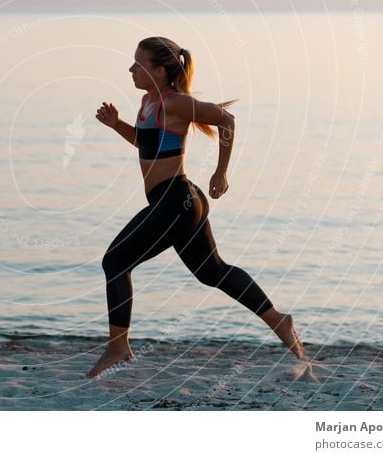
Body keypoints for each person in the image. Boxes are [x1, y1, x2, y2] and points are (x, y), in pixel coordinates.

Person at [87, 36, 303, 379]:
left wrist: (222, 171)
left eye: (138, 64)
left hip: (177, 200)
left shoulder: (175, 103)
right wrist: (117, 125)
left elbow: (226, 119)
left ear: (159, 72)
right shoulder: (147, 102)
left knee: (115, 261)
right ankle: (278, 320)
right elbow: (147, 145)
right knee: (212, 272)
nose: (130, 69)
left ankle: (118, 346)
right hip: (177, 202)